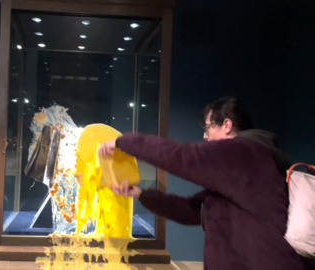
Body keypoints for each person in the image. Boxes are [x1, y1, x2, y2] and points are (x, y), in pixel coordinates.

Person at [99, 97, 306, 270]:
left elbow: (180, 157)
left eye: (207, 128)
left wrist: (123, 142)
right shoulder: (240, 169)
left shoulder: (243, 153)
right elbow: (190, 211)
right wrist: (140, 193)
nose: (205, 136)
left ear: (227, 125)